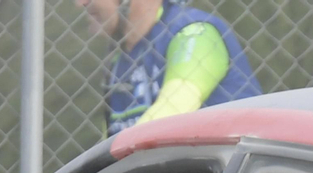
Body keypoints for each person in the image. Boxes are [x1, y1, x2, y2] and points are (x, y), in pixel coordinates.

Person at [76, 0, 262, 135]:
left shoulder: (193, 34)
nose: (80, 3)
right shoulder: (118, 63)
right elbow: (107, 147)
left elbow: (170, 114)